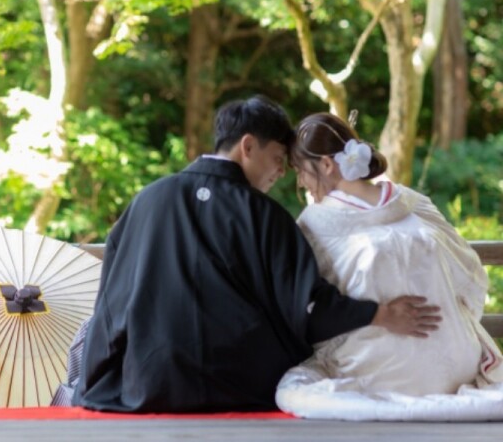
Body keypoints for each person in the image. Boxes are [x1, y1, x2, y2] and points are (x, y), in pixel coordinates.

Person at [72, 96, 441, 413]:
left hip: (147, 385)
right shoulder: (265, 215)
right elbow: (307, 306)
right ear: (248, 146)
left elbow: (112, 301)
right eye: (279, 157)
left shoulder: (149, 200)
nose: (282, 172)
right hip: (241, 389)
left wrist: (96, 375)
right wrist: (380, 314)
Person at [275, 112, 503, 419]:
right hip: (452, 359)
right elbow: (469, 275)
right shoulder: (412, 202)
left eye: (300, 170)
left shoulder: (316, 223)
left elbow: (308, 306)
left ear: (327, 165)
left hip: (373, 373)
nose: (300, 181)